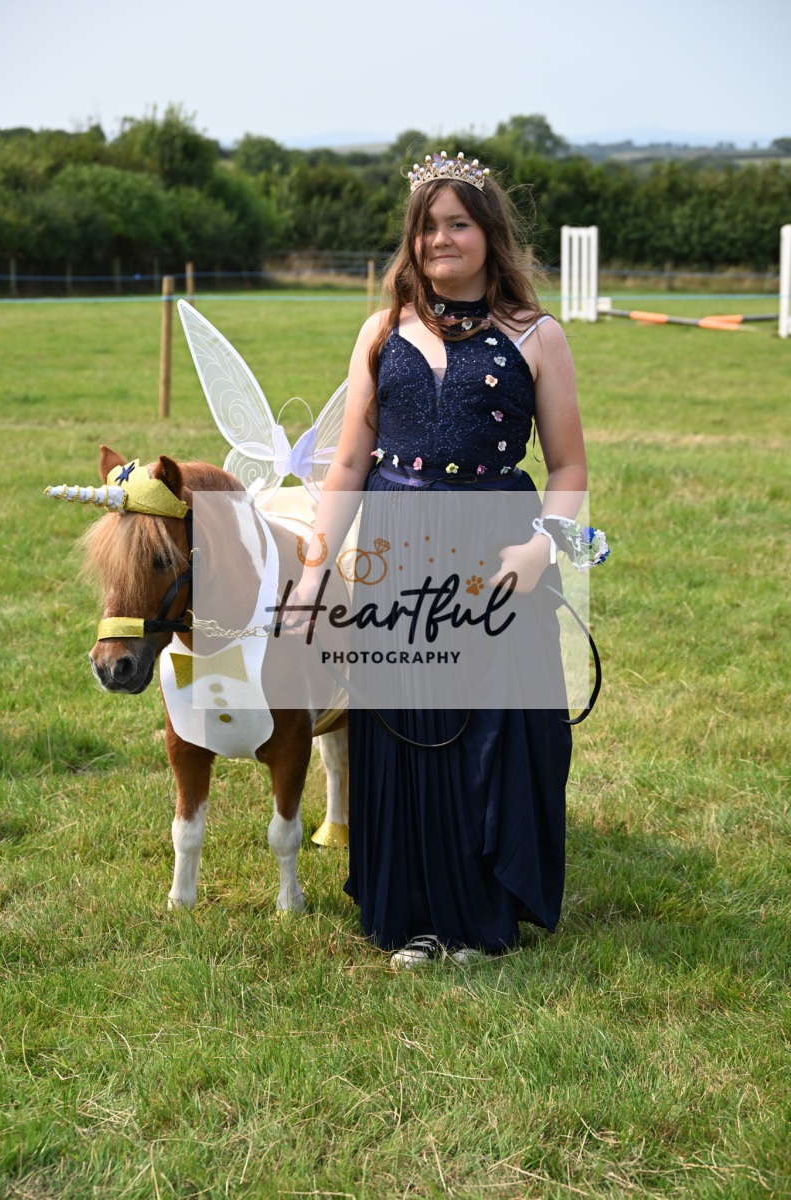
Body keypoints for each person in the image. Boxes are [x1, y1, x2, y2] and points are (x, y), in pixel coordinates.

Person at [291, 151, 587, 967]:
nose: (440, 239)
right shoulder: (381, 331)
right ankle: (416, 916)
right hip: (396, 549)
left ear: (490, 234)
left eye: (458, 223)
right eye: (427, 226)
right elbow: (347, 467)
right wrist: (314, 571)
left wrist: (541, 547)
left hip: (497, 554)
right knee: (407, 731)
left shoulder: (537, 335)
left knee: (490, 733)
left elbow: (569, 469)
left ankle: (481, 919)